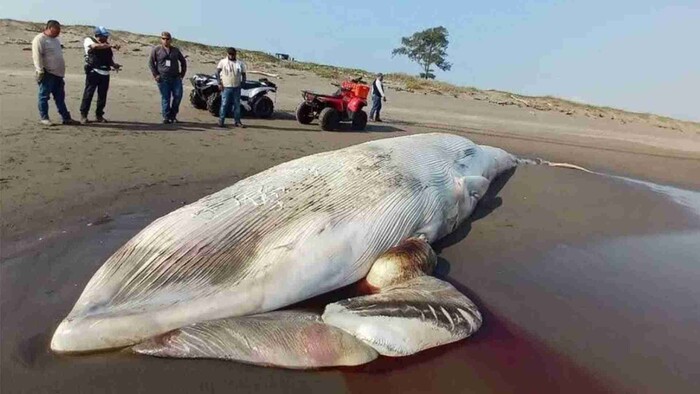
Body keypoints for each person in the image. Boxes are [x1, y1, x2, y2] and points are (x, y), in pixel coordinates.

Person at [31, 20, 79, 125]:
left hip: (58, 74)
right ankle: (44, 118)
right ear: (48, 28)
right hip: (47, 73)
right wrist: (40, 70)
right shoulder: (40, 39)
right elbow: (36, 56)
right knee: (44, 96)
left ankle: (66, 118)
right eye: (55, 30)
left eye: (59, 30)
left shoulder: (56, 40)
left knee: (60, 97)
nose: (57, 32)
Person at [79, 26, 122, 124]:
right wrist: (110, 46)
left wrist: (114, 65)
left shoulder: (106, 45)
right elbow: (95, 47)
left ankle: (99, 115)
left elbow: (109, 58)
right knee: (88, 94)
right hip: (93, 71)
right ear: (98, 35)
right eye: (104, 36)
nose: (106, 38)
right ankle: (84, 115)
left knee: (102, 96)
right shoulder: (89, 40)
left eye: (106, 36)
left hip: (105, 73)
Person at [148, 31, 187, 124]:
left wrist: (182, 74)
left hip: (175, 78)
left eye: (167, 39)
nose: (165, 40)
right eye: (163, 39)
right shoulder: (156, 50)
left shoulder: (175, 50)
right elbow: (151, 63)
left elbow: (183, 62)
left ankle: (173, 116)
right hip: (163, 78)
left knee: (178, 96)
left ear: (170, 40)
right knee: (166, 97)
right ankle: (166, 117)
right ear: (161, 39)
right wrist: (156, 75)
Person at [215, 47, 247, 128]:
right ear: (227, 54)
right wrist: (219, 83)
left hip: (236, 87)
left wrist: (243, 82)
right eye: (230, 54)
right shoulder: (223, 62)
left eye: (233, 54)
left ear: (235, 54)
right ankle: (221, 121)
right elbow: (217, 72)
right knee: (224, 104)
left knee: (237, 105)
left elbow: (244, 74)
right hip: (226, 87)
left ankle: (237, 121)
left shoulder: (240, 63)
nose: (231, 56)